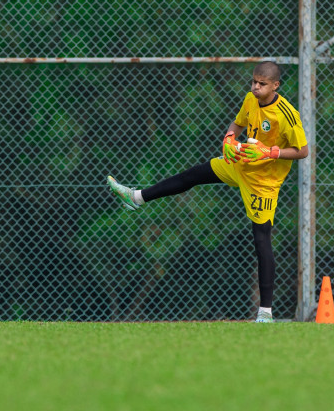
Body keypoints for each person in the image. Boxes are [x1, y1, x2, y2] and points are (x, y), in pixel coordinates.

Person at [106, 61, 308, 323]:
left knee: (261, 238)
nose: (255, 87)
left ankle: (265, 313)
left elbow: (302, 151)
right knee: (193, 175)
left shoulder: (287, 114)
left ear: (275, 85)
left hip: (263, 183)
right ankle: (136, 197)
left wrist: (270, 152)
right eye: (254, 82)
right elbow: (237, 125)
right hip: (239, 165)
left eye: (262, 84)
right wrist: (228, 139)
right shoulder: (249, 100)